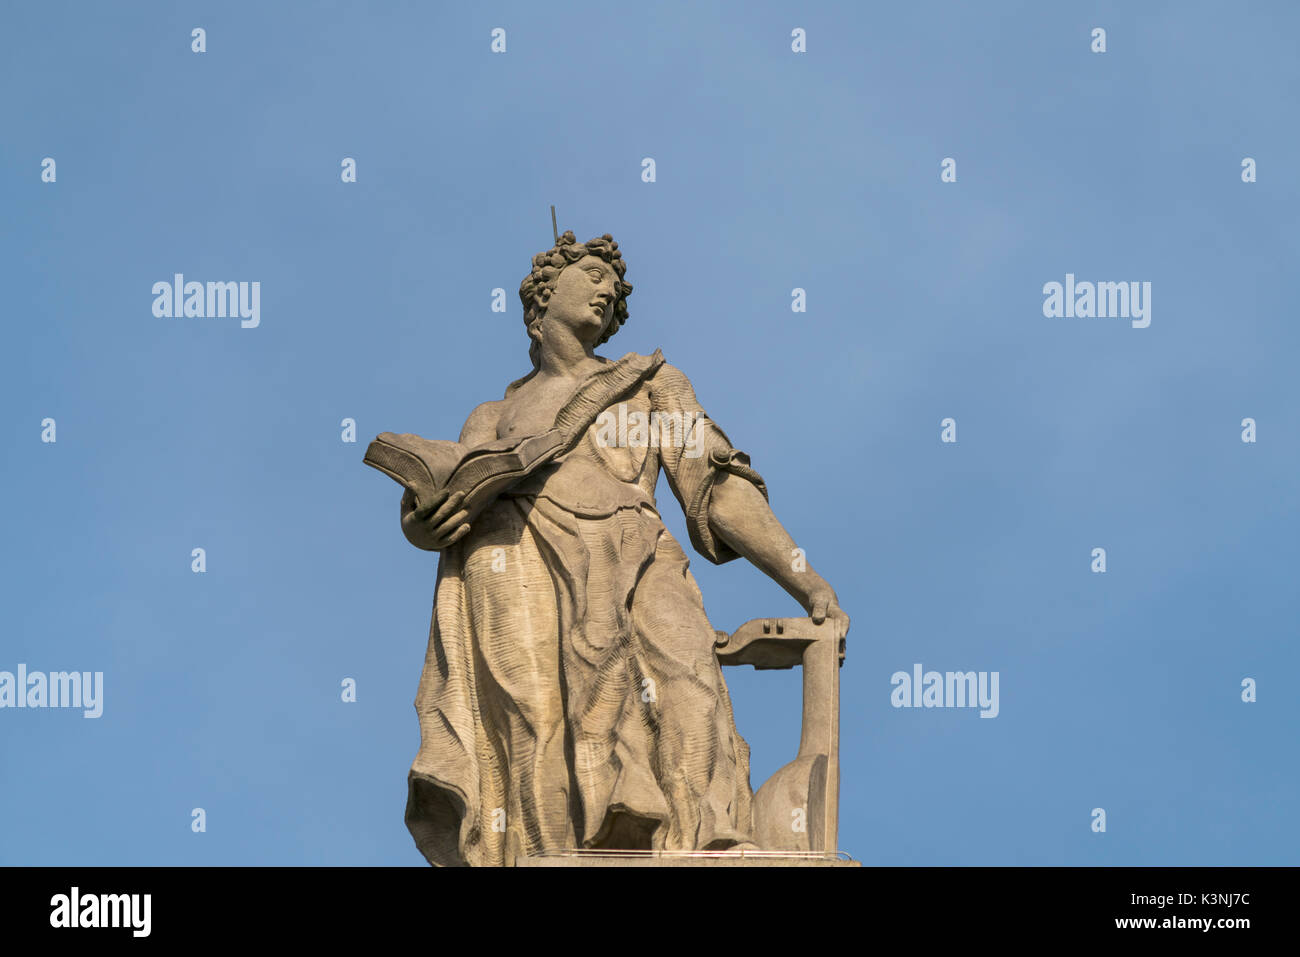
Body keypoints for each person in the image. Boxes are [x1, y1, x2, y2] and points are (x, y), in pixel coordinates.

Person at [400, 230, 849, 866]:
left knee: (688, 680)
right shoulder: (492, 416)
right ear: (543, 296)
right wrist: (425, 522)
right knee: (534, 720)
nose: (608, 289)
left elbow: (716, 487)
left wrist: (805, 579)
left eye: (615, 287)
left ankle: (708, 837)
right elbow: (441, 497)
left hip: (637, 550)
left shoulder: (647, 384)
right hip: (522, 560)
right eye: (591, 275)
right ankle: (554, 848)